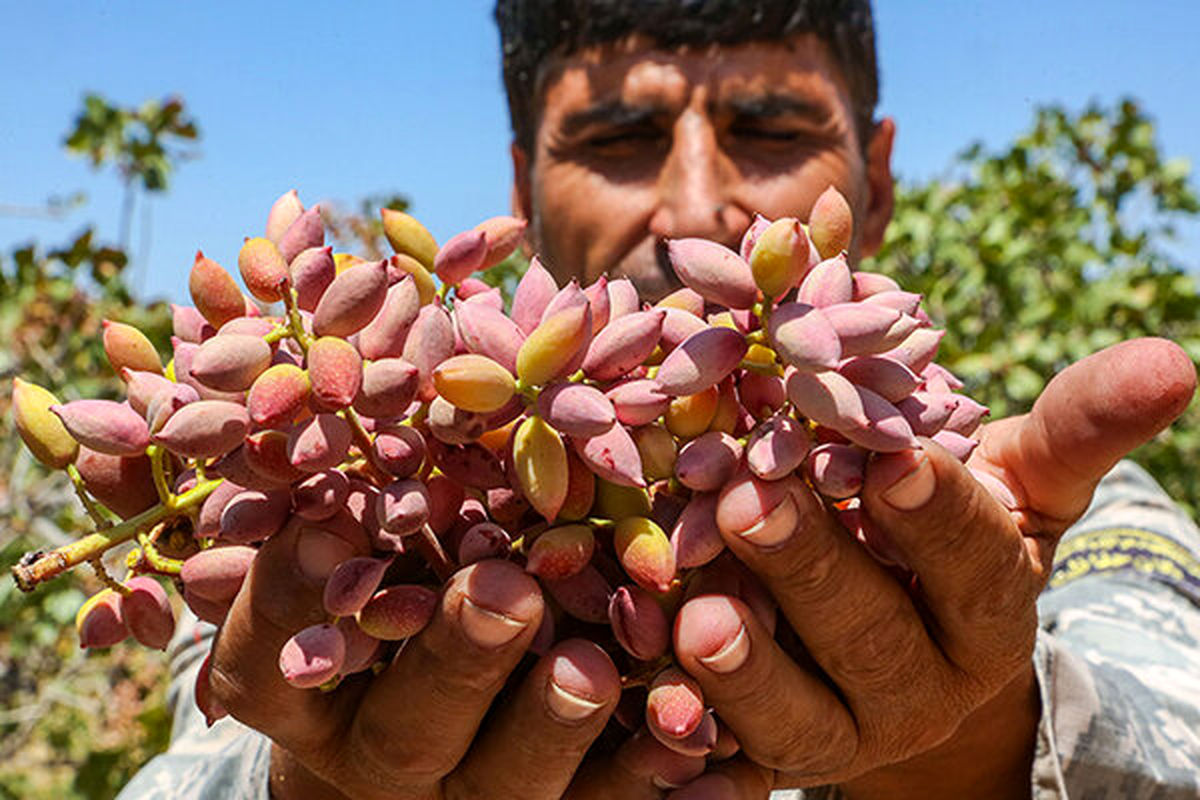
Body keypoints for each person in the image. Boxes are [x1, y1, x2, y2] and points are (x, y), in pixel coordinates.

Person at [117, 1, 1200, 798]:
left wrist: (967, 743)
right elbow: (200, 756)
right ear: (518, 187)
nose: (694, 206)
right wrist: (310, 781)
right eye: (618, 141)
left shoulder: (1055, 508)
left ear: (875, 176)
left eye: (772, 131)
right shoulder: (302, 501)